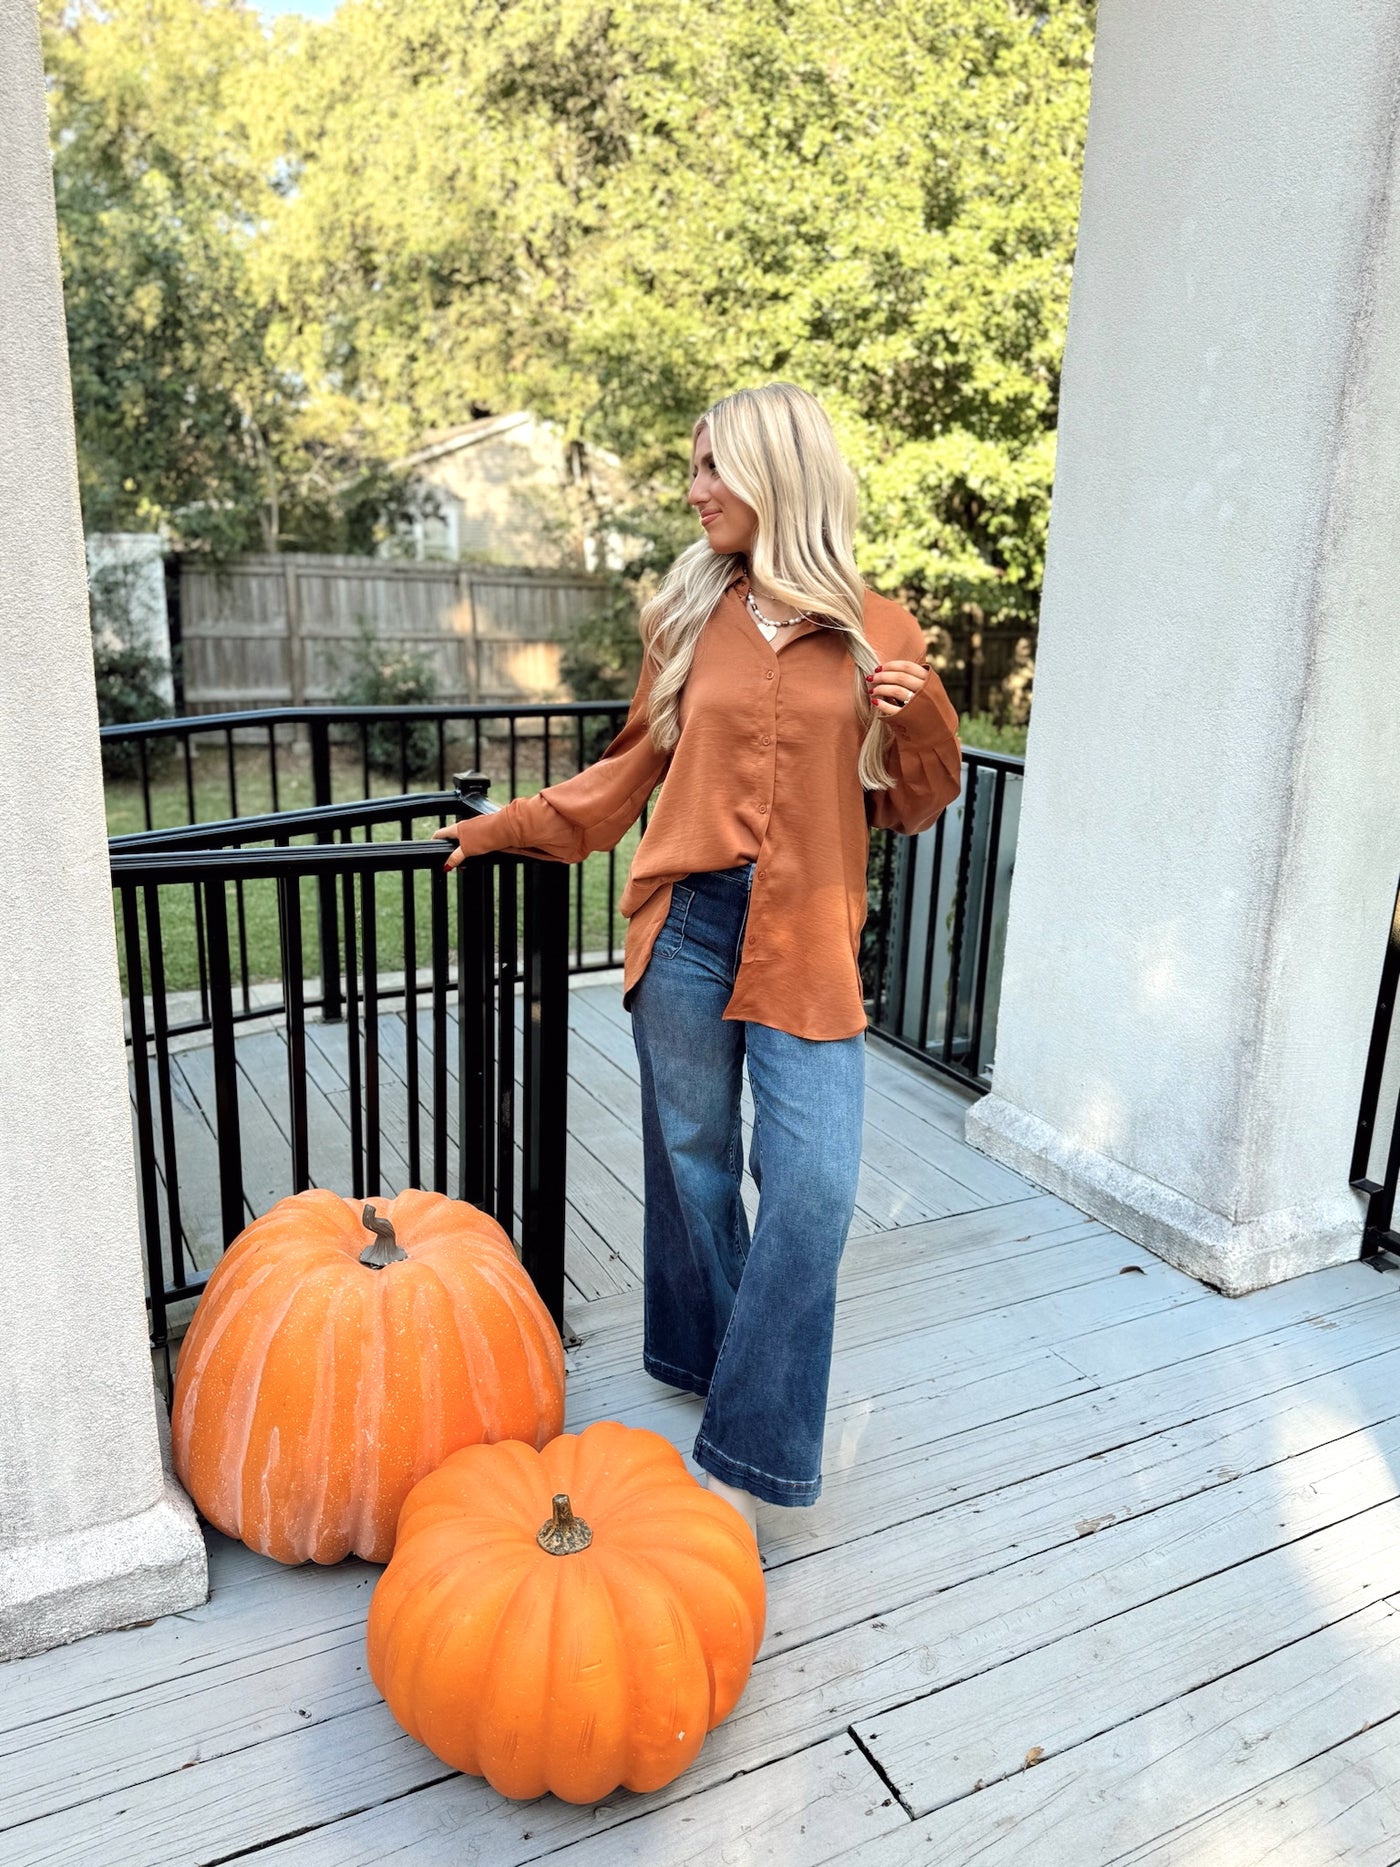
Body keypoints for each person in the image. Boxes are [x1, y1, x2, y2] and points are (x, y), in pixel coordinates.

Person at [434, 382, 962, 1544]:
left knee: (812, 1188)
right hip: (685, 920)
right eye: (693, 467)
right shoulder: (684, 611)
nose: (693, 488)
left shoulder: (882, 630)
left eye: (713, 466)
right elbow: (629, 770)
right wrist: (509, 825)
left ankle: (744, 1444)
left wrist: (921, 716)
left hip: (805, 938)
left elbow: (913, 801)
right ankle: (718, 1379)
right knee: (692, 1164)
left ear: (778, 472)